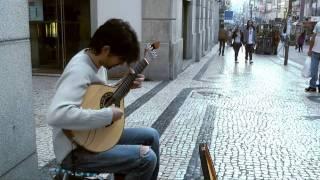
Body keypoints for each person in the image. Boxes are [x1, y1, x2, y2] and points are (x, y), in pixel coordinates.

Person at [47, 19, 160, 179]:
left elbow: (96, 99)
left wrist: (126, 86)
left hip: (94, 135)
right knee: (146, 158)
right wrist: (107, 115)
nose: (120, 63)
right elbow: (56, 115)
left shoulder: (97, 63)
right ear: (106, 50)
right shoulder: (79, 70)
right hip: (75, 151)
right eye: (120, 59)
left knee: (151, 136)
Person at [306, 22, 320, 92]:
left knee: (314, 69)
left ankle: (316, 86)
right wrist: (310, 49)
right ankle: (313, 86)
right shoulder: (318, 24)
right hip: (315, 51)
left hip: (315, 51)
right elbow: (313, 38)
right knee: (313, 70)